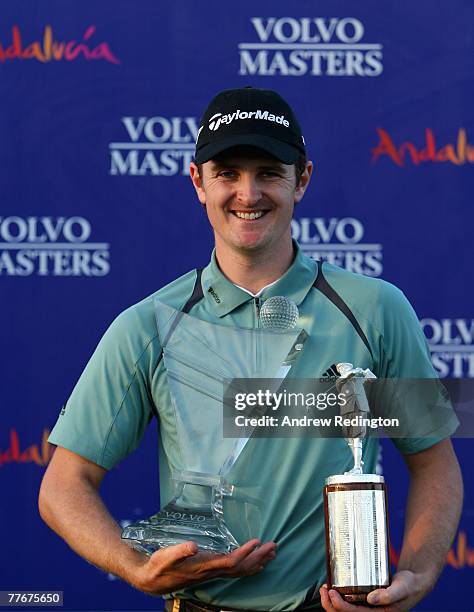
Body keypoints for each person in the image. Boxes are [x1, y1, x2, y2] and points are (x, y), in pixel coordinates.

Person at [39, 86, 462, 612]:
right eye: (228, 174)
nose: (248, 193)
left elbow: (434, 463)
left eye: (268, 173)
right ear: (198, 182)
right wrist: (134, 567)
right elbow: (63, 485)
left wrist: (417, 575)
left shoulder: (376, 309)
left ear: (301, 180)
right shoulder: (148, 325)